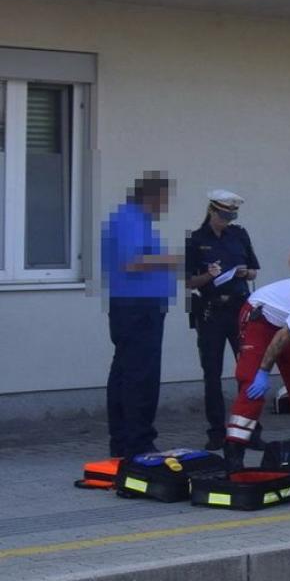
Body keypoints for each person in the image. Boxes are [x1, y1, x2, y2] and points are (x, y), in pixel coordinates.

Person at [102, 173, 182, 458]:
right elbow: (133, 262)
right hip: (138, 308)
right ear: (151, 196)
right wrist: (177, 260)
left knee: (126, 373)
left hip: (135, 306)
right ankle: (136, 441)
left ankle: (125, 440)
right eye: (163, 199)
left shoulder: (133, 220)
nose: (165, 205)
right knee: (140, 376)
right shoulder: (130, 219)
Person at [184, 189, 259, 450]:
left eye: (231, 216)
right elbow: (188, 281)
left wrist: (244, 272)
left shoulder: (239, 235)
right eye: (224, 215)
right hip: (211, 311)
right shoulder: (195, 240)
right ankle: (217, 432)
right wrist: (209, 275)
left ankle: (250, 430)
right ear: (212, 212)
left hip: (239, 309)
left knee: (247, 370)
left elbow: (253, 271)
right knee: (212, 373)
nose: (228, 221)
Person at [224, 279, 290, 469]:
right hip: (260, 316)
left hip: (287, 321)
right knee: (252, 382)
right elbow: (283, 337)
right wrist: (264, 370)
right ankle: (234, 449)